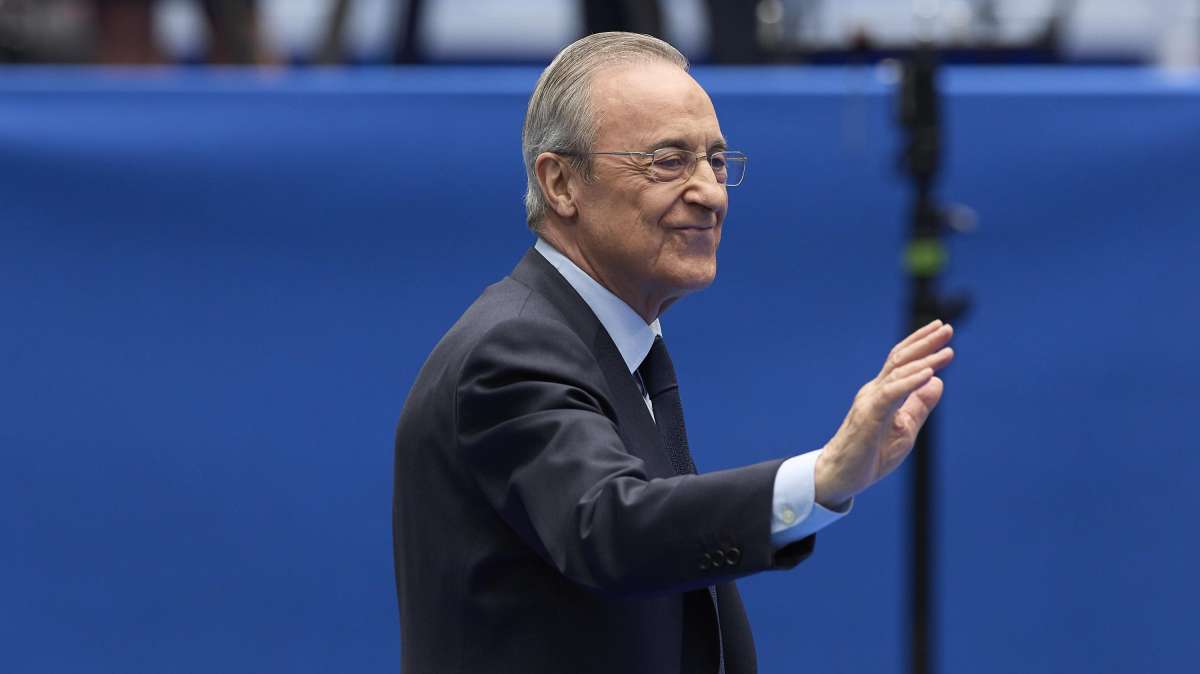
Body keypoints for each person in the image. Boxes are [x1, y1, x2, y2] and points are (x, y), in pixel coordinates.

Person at [392, 31, 955, 674]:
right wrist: (821, 479)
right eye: (667, 161)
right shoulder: (513, 349)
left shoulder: (611, 343)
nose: (710, 192)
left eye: (716, 161)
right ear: (561, 183)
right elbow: (611, 529)